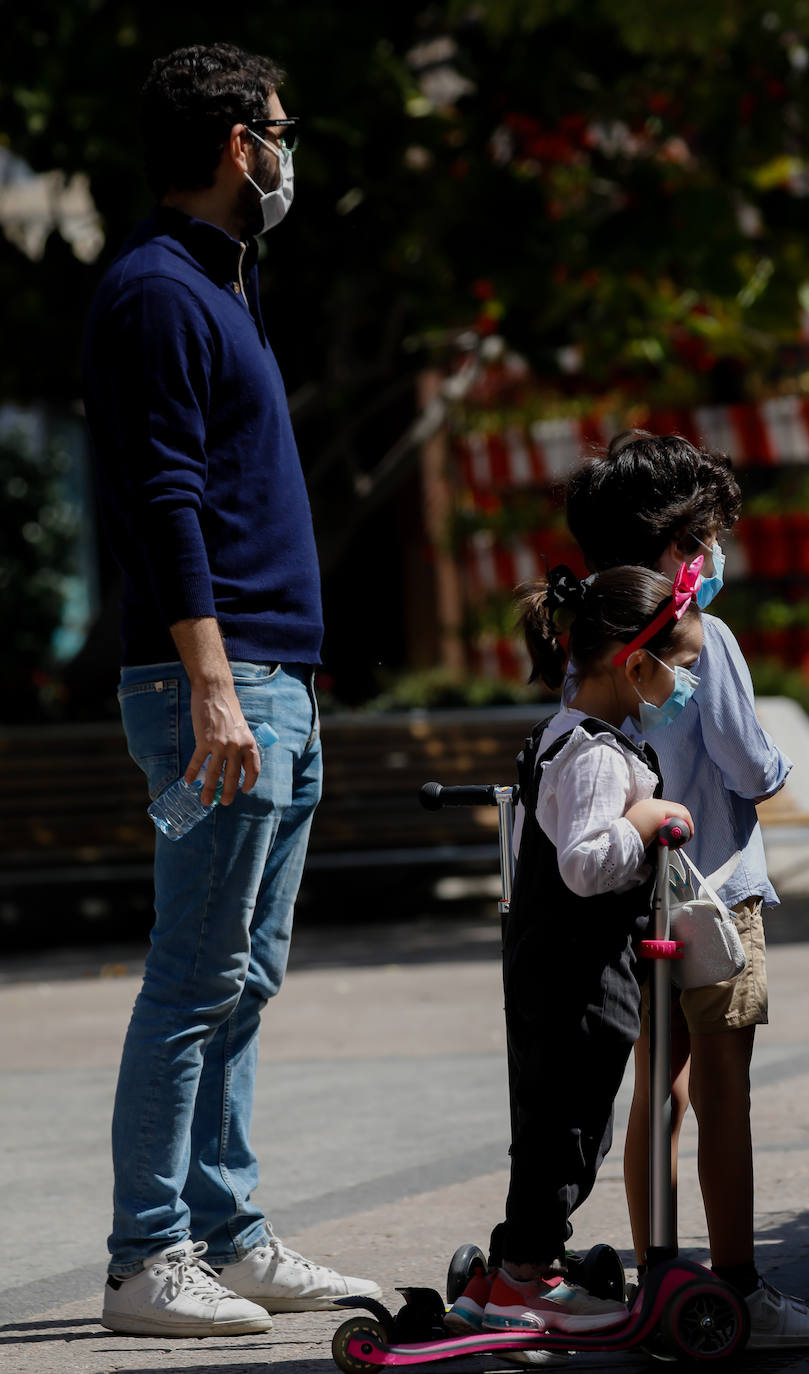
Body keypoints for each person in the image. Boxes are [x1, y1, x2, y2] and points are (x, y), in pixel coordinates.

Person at [81, 43, 379, 1338]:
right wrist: (212, 684)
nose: (287, 150)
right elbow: (164, 499)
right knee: (194, 974)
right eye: (278, 128)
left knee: (244, 973)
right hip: (221, 679)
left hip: (275, 679)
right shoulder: (154, 290)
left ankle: (228, 1231)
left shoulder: (224, 282)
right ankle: (148, 1254)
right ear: (233, 147)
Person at [565, 430, 809, 1350]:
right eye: (703, 540)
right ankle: (742, 1287)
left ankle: (661, 1279)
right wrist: (779, 762)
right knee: (725, 1086)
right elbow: (751, 767)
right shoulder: (704, 636)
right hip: (720, 895)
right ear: (673, 548)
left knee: (660, 1089)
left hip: (637, 899)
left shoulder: (599, 637)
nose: (713, 557)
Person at [446, 561, 702, 1338]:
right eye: (681, 670)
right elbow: (586, 864)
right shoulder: (595, 753)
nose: (684, 687)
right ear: (633, 664)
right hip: (577, 968)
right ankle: (524, 1279)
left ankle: (525, 1264)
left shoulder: (562, 734)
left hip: (549, 961)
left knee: (551, 1118)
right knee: (569, 1128)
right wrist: (649, 822)